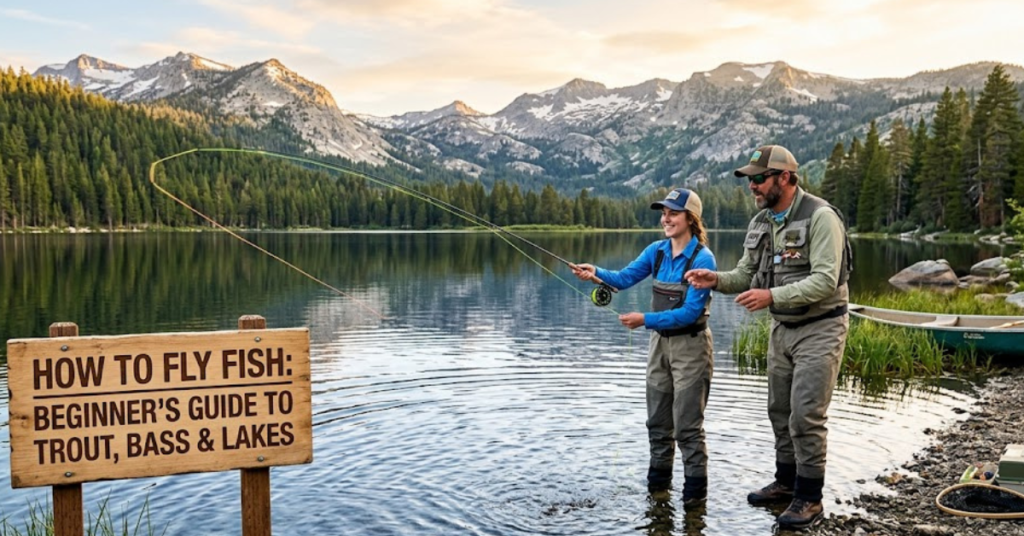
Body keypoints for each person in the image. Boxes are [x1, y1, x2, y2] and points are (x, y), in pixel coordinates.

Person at [685, 145, 851, 531]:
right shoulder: (762, 222)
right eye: (750, 180)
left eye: (759, 178)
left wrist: (772, 296)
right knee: (780, 411)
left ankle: (809, 499)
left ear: (786, 178)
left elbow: (826, 281)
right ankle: (786, 483)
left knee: (807, 415)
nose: (753, 186)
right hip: (782, 329)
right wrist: (716, 280)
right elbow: (745, 275)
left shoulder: (821, 217)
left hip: (821, 327)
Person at [572, 187, 716, 507]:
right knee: (658, 425)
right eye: (663, 213)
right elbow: (622, 278)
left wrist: (645, 319)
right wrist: (595, 274)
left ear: (690, 219)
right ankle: (658, 493)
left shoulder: (702, 258)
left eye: (672, 213)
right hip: (658, 348)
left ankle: (695, 503)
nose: (665, 218)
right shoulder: (657, 251)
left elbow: (692, 312)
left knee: (688, 429)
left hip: (691, 349)